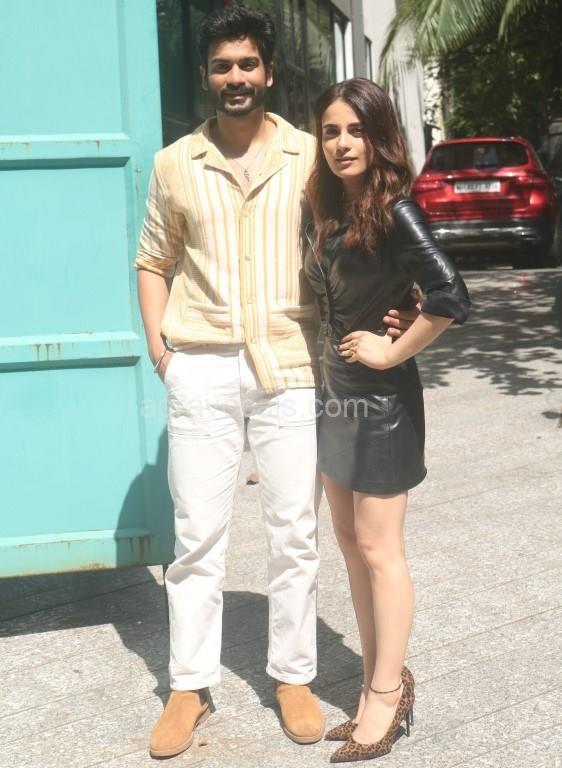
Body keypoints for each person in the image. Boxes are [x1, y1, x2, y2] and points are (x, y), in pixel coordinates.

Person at [135, 5, 325, 758]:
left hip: (289, 364)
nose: (235, 77)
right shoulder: (174, 163)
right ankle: (189, 686)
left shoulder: (309, 156)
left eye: (248, 63)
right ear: (206, 76)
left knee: (295, 532)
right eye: (222, 66)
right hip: (202, 365)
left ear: (268, 72)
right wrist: (163, 353)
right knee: (196, 537)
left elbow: (344, 244)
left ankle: (293, 675)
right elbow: (153, 260)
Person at [303, 78, 470, 763]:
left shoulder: (397, 210)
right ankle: (379, 676)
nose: (342, 143)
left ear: (379, 138)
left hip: (381, 402)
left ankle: (385, 694)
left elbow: (451, 294)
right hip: (334, 395)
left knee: (379, 549)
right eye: (331, 131)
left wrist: (393, 348)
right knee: (348, 542)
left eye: (356, 130)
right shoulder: (328, 207)